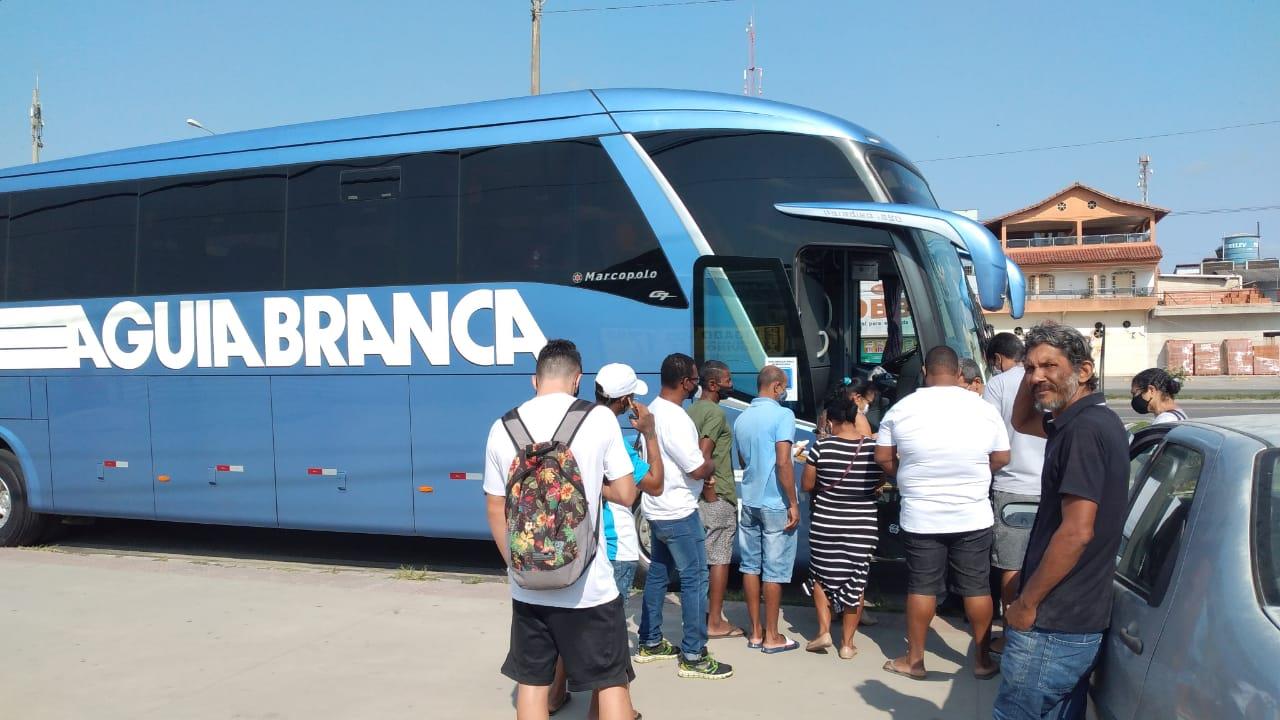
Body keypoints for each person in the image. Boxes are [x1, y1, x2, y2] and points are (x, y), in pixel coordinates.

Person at [482, 339, 639, 720]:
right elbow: (626, 492)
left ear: (534, 380)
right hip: (590, 587)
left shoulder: (503, 426)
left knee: (533, 687)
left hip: (528, 588)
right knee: (611, 682)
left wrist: (519, 565)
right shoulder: (598, 418)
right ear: (577, 379)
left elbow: (495, 506)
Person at [994, 322, 1128, 720]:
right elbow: (1020, 421)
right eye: (1030, 368)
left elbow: (1076, 531)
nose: (1037, 377)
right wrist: (1029, 363)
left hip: (1054, 622)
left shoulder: (1083, 432)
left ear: (1083, 371)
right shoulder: (1083, 420)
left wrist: (1027, 603)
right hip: (1071, 620)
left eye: (1050, 367)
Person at [875, 346, 1009, 681]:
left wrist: (904, 474)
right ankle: (981, 661)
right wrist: (975, 473)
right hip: (973, 514)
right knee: (977, 586)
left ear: (925, 371)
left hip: (921, 515)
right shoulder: (983, 409)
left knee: (922, 586)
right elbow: (1002, 457)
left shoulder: (901, 409)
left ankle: (915, 661)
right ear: (958, 372)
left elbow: (882, 457)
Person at [547, 363, 663, 718]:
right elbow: (654, 483)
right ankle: (605, 712)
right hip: (614, 545)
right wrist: (650, 434)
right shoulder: (610, 431)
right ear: (627, 399)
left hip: (577, 544)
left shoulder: (577, 422)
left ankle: (553, 696)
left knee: (569, 624)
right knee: (608, 641)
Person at [636, 353, 734, 680]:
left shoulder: (653, 410)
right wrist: (711, 466)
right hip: (678, 511)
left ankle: (649, 642)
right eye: (693, 380)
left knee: (659, 574)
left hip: (656, 508)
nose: (695, 384)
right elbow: (695, 467)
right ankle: (693, 654)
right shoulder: (676, 419)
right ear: (684, 383)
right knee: (695, 579)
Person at [801, 391, 883, 659]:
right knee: (856, 581)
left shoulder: (821, 448)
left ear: (832, 420)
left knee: (822, 577)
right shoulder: (873, 449)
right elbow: (878, 483)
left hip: (826, 522)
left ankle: (824, 631)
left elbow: (808, 485)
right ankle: (847, 644)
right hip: (862, 525)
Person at [982, 332, 1046, 654]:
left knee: (1011, 566)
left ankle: (1011, 636)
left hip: (1012, 488)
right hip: (1051, 486)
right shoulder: (1052, 378)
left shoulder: (998, 384)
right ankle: (1039, 631)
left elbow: (986, 436)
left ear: (997, 359)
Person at [733, 365, 801, 654]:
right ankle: (773, 635)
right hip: (775, 502)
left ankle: (756, 633)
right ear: (776, 387)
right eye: (784, 387)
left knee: (750, 566)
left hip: (748, 499)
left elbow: (743, 458)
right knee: (774, 570)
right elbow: (783, 462)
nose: (785, 392)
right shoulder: (783, 415)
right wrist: (793, 503)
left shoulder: (742, 418)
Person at [687, 360, 743, 640]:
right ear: (712, 384)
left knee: (701, 558)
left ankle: (702, 618)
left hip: (697, 497)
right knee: (719, 559)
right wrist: (710, 488)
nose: (731, 385)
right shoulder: (715, 413)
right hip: (717, 495)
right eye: (727, 380)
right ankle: (715, 622)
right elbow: (702, 453)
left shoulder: (692, 410)